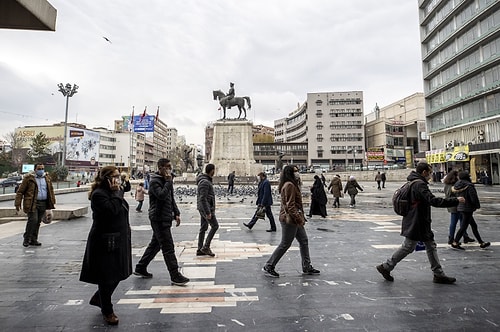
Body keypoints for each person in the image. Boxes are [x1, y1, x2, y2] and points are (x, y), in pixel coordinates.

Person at [376, 162, 464, 284]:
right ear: (424, 172)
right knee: (409, 246)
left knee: (430, 246)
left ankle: (438, 274)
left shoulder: (413, 182)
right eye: (430, 172)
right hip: (417, 221)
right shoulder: (419, 184)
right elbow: (433, 200)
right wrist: (455, 200)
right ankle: (386, 266)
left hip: (418, 220)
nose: (431, 175)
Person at [79, 166, 132, 325]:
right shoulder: (99, 195)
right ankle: (107, 310)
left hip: (118, 238)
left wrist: (122, 185)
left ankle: (99, 298)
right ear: (107, 178)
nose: (118, 179)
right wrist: (117, 193)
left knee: (119, 273)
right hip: (105, 241)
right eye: (115, 176)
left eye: (119, 176)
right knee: (107, 276)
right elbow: (112, 211)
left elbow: (125, 190)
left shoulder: (113, 191)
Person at [133, 158, 190, 286]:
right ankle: (175, 275)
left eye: (170, 166)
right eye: (167, 167)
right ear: (161, 168)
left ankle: (140, 267)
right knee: (168, 247)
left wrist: (176, 213)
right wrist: (169, 182)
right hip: (158, 218)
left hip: (165, 217)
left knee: (156, 244)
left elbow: (170, 198)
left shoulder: (165, 180)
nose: (170, 169)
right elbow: (162, 195)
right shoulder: (155, 181)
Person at [262, 165, 320, 278]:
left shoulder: (292, 184)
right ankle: (269, 265)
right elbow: (290, 206)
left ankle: (307, 266)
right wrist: (299, 219)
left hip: (294, 218)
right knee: (285, 243)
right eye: (295, 171)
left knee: (304, 240)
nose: (298, 173)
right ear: (290, 173)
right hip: (290, 219)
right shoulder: (289, 185)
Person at [15, 163, 56, 247]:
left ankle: (34, 239)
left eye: (42, 168)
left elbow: (50, 190)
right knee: (33, 220)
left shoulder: (47, 178)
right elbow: (20, 191)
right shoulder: (29, 179)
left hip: (43, 203)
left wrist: (52, 201)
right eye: (39, 168)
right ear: (35, 170)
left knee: (38, 222)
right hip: (32, 203)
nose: (41, 170)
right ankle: (26, 239)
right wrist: (17, 203)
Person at [451, 171, 491, 250]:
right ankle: (455, 242)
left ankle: (481, 242)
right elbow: (473, 197)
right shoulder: (469, 186)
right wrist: (476, 205)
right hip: (468, 208)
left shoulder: (456, 185)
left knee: (473, 225)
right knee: (464, 226)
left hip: (460, 206)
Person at [442, 170, 474, 245]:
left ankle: (464, 236)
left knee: (462, 221)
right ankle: (452, 238)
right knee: (456, 222)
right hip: (455, 205)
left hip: (452, 205)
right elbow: (453, 193)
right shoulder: (453, 185)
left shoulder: (447, 184)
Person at [196, 164, 219, 257]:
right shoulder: (205, 182)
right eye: (214, 170)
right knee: (215, 226)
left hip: (203, 208)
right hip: (206, 208)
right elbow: (203, 198)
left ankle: (200, 249)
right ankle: (206, 247)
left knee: (203, 227)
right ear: (211, 170)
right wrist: (208, 212)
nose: (215, 171)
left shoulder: (205, 180)